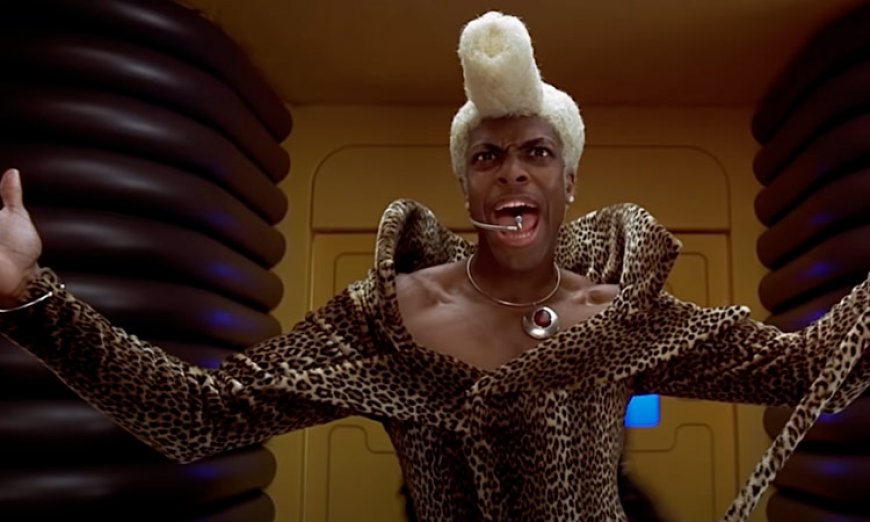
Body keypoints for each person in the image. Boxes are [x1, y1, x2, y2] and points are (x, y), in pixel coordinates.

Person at [0, 11, 867, 522]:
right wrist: (28, 296)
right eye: (489, 157)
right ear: (466, 185)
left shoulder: (626, 314)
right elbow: (196, 416)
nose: (513, 172)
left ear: (568, 181)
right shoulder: (384, 319)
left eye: (536, 153)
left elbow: (807, 371)